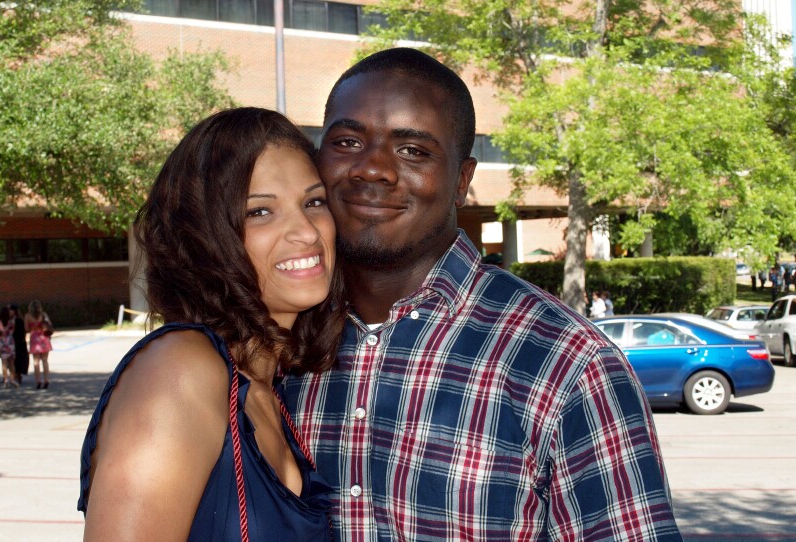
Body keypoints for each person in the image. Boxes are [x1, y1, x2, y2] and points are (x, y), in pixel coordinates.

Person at [284, 48, 681, 540]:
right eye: (347, 141)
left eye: (413, 151)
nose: (374, 169)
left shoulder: (570, 365)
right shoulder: (274, 342)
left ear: (462, 182)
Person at [78, 107, 345, 540]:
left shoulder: (267, 389)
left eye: (314, 202)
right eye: (260, 212)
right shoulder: (181, 369)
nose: (307, 232)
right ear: (202, 237)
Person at [25, 300, 53, 389]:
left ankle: (38, 381)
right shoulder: (44, 315)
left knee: (36, 361)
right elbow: (49, 325)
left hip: (34, 338)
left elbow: (26, 328)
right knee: (45, 360)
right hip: (44, 337)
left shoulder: (28, 316)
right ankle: (46, 380)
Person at [0, 306, 19, 388]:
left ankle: (5, 379)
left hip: (2, 342)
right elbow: (13, 330)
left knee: (4, 363)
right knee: (12, 363)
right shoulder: (12, 322)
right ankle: (12, 379)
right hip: (10, 342)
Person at [10, 304, 29, 385]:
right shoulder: (11, 320)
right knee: (14, 360)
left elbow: (23, 331)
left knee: (18, 359)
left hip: (18, 342)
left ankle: (18, 375)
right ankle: (15, 375)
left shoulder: (19, 320)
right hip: (15, 342)